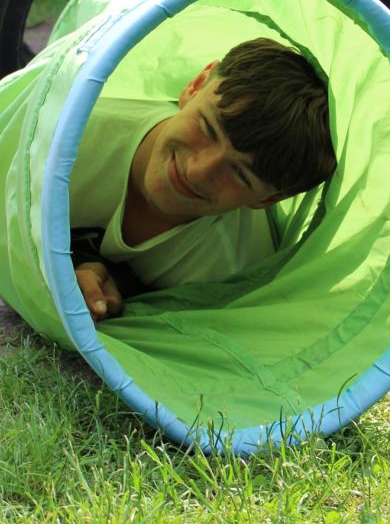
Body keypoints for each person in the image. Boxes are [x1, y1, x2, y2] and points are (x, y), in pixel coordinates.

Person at [71, 37, 336, 322]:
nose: (196, 172)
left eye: (239, 174)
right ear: (196, 85)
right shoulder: (75, 129)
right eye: (208, 128)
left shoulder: (231, 272)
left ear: (267, 199)